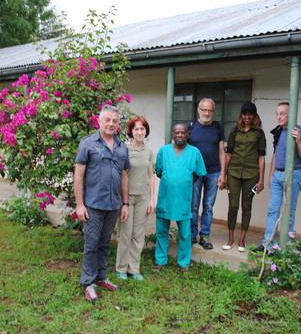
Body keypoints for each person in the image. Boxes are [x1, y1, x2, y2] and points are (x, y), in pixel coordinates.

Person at [74, 105, 131, 303]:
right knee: (91, 244)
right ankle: (88, 283)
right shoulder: (88, 143)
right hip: (93, 205)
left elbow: (124, 176)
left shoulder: (122, 146)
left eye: (114, 121)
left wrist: (125, 203)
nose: (111, 124)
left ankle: (101, 277)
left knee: (105, 243)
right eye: (107, 120)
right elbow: (78, 175)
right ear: (99, 121)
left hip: (114, 204)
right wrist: (80, 205)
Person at [253, 102, 301, 253]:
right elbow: (276, 154)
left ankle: (285, 247)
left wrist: (298, 141)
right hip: (277, 175)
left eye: (283, 113)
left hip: (293, 174)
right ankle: (268, 244)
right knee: (272, 210)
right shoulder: (279, 131)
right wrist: (271, 175)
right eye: (277, 114)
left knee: (288, 212)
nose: (279, 117)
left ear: (291, 114)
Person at [154, 123, 206, 272]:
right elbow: (159, 171)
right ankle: (160, 260)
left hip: (183, 199)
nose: (180, 135)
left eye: (183, 132)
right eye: (177, 132)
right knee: (162, 231)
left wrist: (184, 181)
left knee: (184, 234)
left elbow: (198, 174)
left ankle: (184, 263)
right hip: (166, 198)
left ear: (188, 134)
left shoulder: (194, 152)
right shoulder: (163, 151)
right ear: (172, 134)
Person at [115, 116, 155, 281]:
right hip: (127, 198)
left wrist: (152, 199)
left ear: (146, 131)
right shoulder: (123, 149)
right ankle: (121, 268)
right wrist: (123, 201)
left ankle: (134, 269)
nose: (139, 132)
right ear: (131, 131)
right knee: (125, 234)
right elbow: (121, 174)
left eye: (142, 129)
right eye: (136, 129)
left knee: (138, 235)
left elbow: (151, 176)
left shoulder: (148, 150)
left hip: (143, 197)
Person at [224, 102, 266, 252]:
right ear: (241, 115)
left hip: (252, 174)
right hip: (234, 172)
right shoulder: (234, 131)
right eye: (245, 114)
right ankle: (230, 239)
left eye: (250, 114)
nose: (247, 117)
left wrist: (261, 180)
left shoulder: (259, 133)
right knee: (233, 205)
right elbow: (228, 153)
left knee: (246, 206)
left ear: (254, 116)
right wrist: (223, 175)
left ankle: (242, 240)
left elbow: (261, 157)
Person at [188, 98, 226, 250]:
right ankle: (192, 235)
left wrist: (223, 174)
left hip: (213, 172)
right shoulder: (190, 127)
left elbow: (222, 152)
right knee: (193, 206)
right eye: (204, 109)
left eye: (210, 110)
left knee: (208, 206)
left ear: (213, 111)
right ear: (198, 110)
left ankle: (204, 235)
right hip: (195, 173)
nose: (207, 113)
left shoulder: (218, 127)